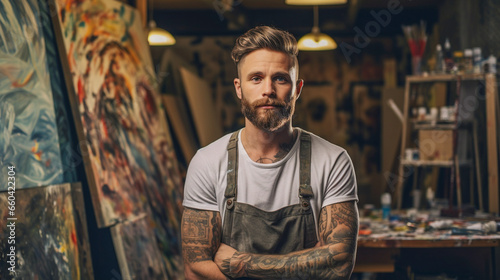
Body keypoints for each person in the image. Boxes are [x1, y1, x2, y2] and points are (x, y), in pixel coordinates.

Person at [181, 25, 359, 280]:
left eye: (280, 78)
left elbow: (339, 264)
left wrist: (240, 262)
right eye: (256, 78)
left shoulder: (333, 161)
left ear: (297, 89)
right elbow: (196, 268)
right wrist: (311, 260)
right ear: (238, 88)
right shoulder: (207, 162)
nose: (268, 90)